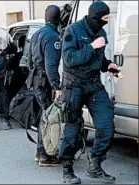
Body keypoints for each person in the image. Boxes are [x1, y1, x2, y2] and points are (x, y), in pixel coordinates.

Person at [59, 1, 119, 184]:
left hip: (93, 85)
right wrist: (91, 47)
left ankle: (95, 165)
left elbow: (99, 59)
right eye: (105, 18)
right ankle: (67, 169)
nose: (107, 21)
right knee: (72, 129)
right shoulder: (73, 31)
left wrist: (109, 66)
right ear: (95, 17)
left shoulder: (100, 32)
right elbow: (69, 59)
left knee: (107, 126)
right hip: (74, 85)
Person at [27, 5, 62, 167]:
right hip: (45, 81)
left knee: (44, 115)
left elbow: (28, 60)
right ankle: (45, 155)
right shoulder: (53, 36)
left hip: (35, 79)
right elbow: (51, 66)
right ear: (59, 18)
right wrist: (56, 86)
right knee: (49, 118)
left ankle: (40, 152)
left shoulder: (37, 34)